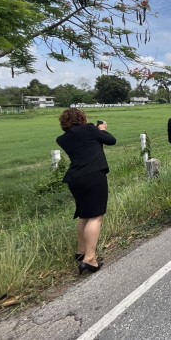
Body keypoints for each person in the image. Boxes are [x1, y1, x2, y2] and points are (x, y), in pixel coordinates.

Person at [56, 108, 116, 274]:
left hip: (74, 179)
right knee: (96, 217)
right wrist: (101, 130)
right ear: (82, 118)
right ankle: (90, 259)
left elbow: (82, 142)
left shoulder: (62, 139)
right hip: (94, 175)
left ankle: (81, 251)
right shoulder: (89, 129)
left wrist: (95, 132)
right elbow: (111, 140)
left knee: (84, 215)